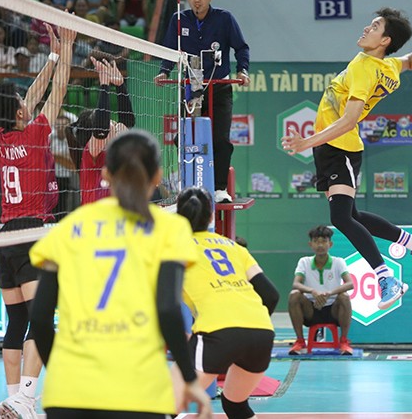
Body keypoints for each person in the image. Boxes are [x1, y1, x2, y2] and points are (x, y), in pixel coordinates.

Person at [28, 131, 212, 418]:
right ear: (157, 176)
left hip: (68, 392)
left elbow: (39, 318)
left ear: (105, 174)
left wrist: (62, 371)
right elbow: (167, 309)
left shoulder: (70, 226)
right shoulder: (169, 229)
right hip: (140, 394)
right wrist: (190, 380)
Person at [281, 8, 412, 309]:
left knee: (341, 217)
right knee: (352, 216)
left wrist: (306, 142)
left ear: (384, 40)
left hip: (339, 146)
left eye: (374, 26)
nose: (366, 29)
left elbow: (348, 121)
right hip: (331, 148)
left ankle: (386, 278)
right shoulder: (387, 66)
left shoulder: (364, 68)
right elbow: (409, 61)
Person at [0, 22, 74, 418]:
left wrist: (51, 55)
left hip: (4, 238)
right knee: (40, 319)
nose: (27, 101)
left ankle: (13, 397)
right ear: (20, 112)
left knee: (16, 320)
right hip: (32, 232)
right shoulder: (35, 134)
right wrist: (67, 50)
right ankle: (27, 399)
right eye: (22, 101)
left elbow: (33, 97)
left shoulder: (2, 140)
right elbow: (57, 91)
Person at [172, 186, 278, 419]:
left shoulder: (175, 248)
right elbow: (271, 295)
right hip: (261, 333)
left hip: (216, 332)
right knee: (235, 405)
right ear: (211, 216)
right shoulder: (234, 247)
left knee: (164, 406)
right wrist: (246, 331)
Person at [155, 0, 250, 204]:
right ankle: (188, 184)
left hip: (219, 88)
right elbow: (169, 49)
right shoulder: (179, 19)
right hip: (190, 88)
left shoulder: (224, 18)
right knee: (183, 138)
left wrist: (243, 71)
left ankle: (219, 188)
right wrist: (164, 71)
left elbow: (241, 47)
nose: (197, 0)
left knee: (220, 139)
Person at [67, 57, 135, 205]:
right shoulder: (90, 153)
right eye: (111, 121)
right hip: (94, 218)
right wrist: (104, 85)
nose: (115, 123)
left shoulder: (112, 149)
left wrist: (120, 85)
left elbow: (128, 122)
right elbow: (101, 129)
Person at [288, 225, 355, 356]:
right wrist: (313, 291)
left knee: (344, 296)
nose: (320, 245)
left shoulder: (338, 262)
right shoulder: (304, 262)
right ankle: (300, 341)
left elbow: (350, 284)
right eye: (316, 241)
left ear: (330, 244)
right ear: (310, 244)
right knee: (294, 295)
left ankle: (344, 341)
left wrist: (329, 293)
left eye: (324, 241)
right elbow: (296, 284)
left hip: (333, 311)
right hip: (311, 310)